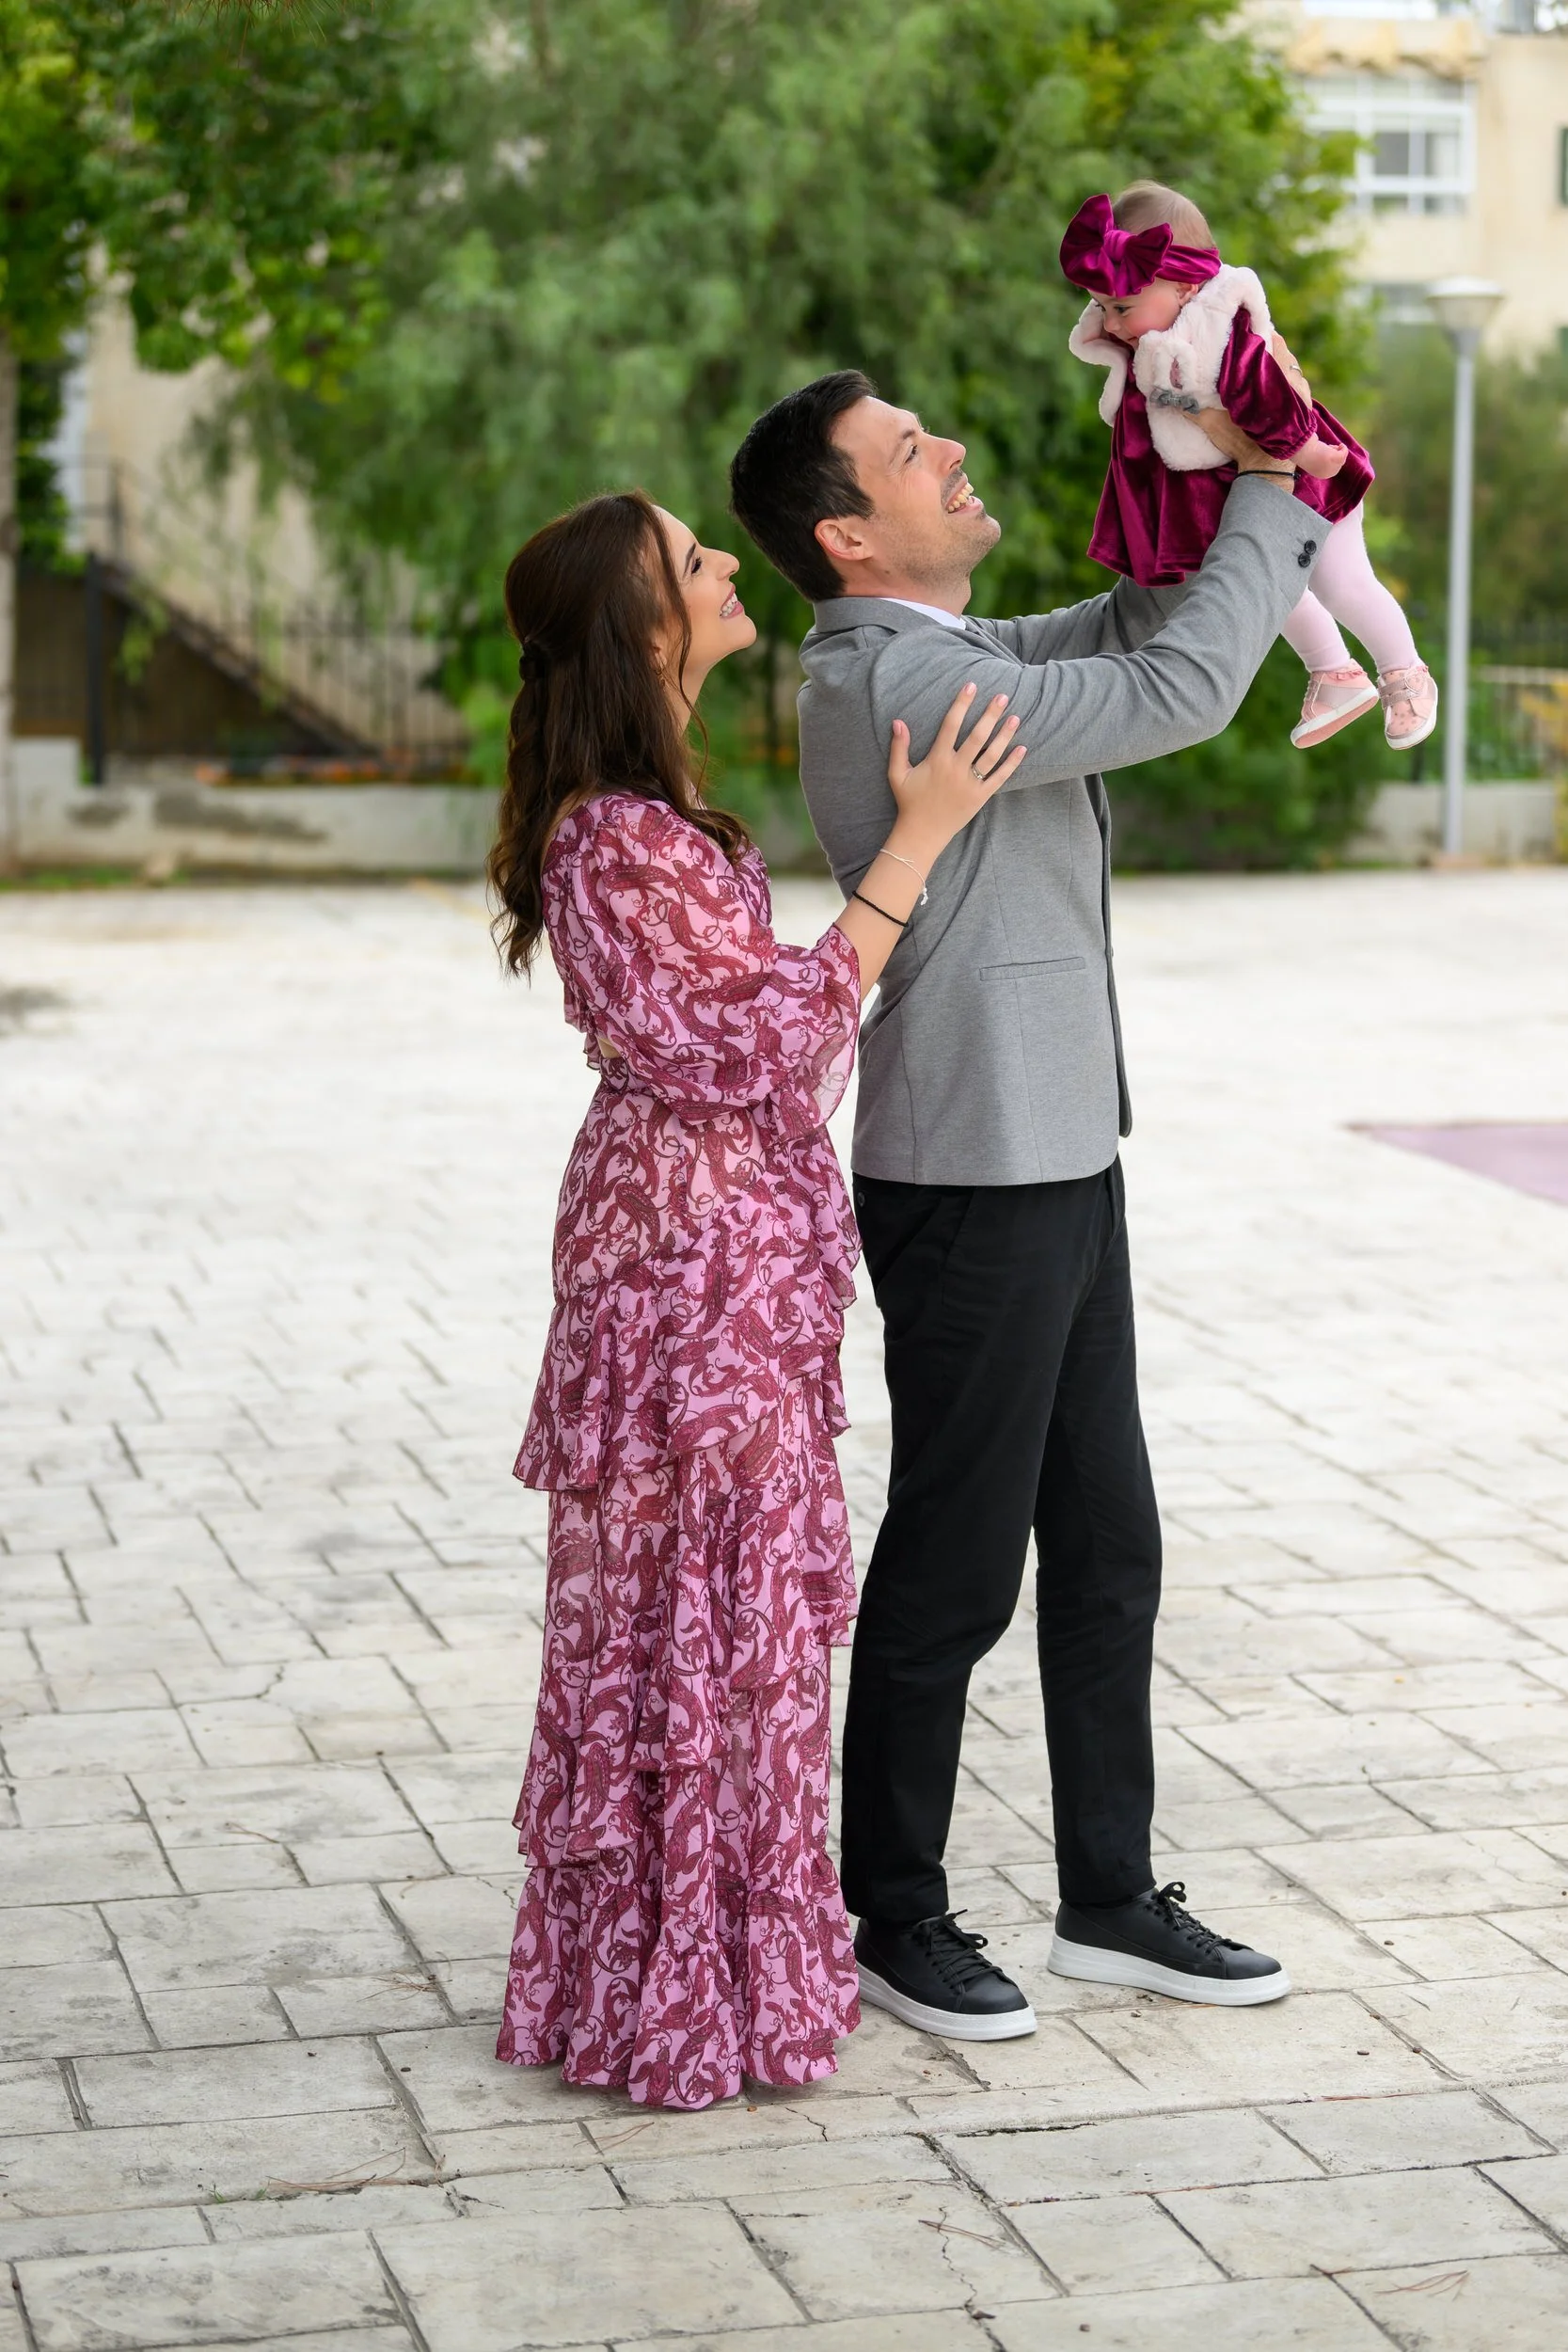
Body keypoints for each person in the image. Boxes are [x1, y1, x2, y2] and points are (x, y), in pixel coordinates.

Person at [729, 367, 1311, 2042]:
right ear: (847, 534)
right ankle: (889, 1913)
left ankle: (1110, 1899)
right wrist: (1285, 499)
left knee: (1107, 1542)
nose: (955, 452)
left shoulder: (948, 655)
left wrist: (1189, 486)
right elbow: (1184, 686)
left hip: (1055, 1150)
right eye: (913, 454)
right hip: (975, 1174)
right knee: (958, 1563)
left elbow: (1123, 624)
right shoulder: (906, 681)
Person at [489, 488, 1026, 2110]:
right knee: (697, 1627)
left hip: (723, 1269)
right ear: (642, 623)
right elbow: (749, 1045)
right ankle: (676, 1994)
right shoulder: (610, 836)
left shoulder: (647, 817)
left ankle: (705, 1970)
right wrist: (913, 846)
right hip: (685, 1281)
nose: (726, 566)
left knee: (724, 1629)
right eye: (691, 561)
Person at [1062, 182, 1437, 754]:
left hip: (1308, 480)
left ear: (1186, 286)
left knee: (1341, 583)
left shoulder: (1219, 328)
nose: (1110, 323)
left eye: (1120, 307)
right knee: (1266, 587)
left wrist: (1306, 450)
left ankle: (1405, 673)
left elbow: (1270, 393)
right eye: (1101, 307)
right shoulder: (1151, 330)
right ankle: (1336, 674)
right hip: (1241, 493)